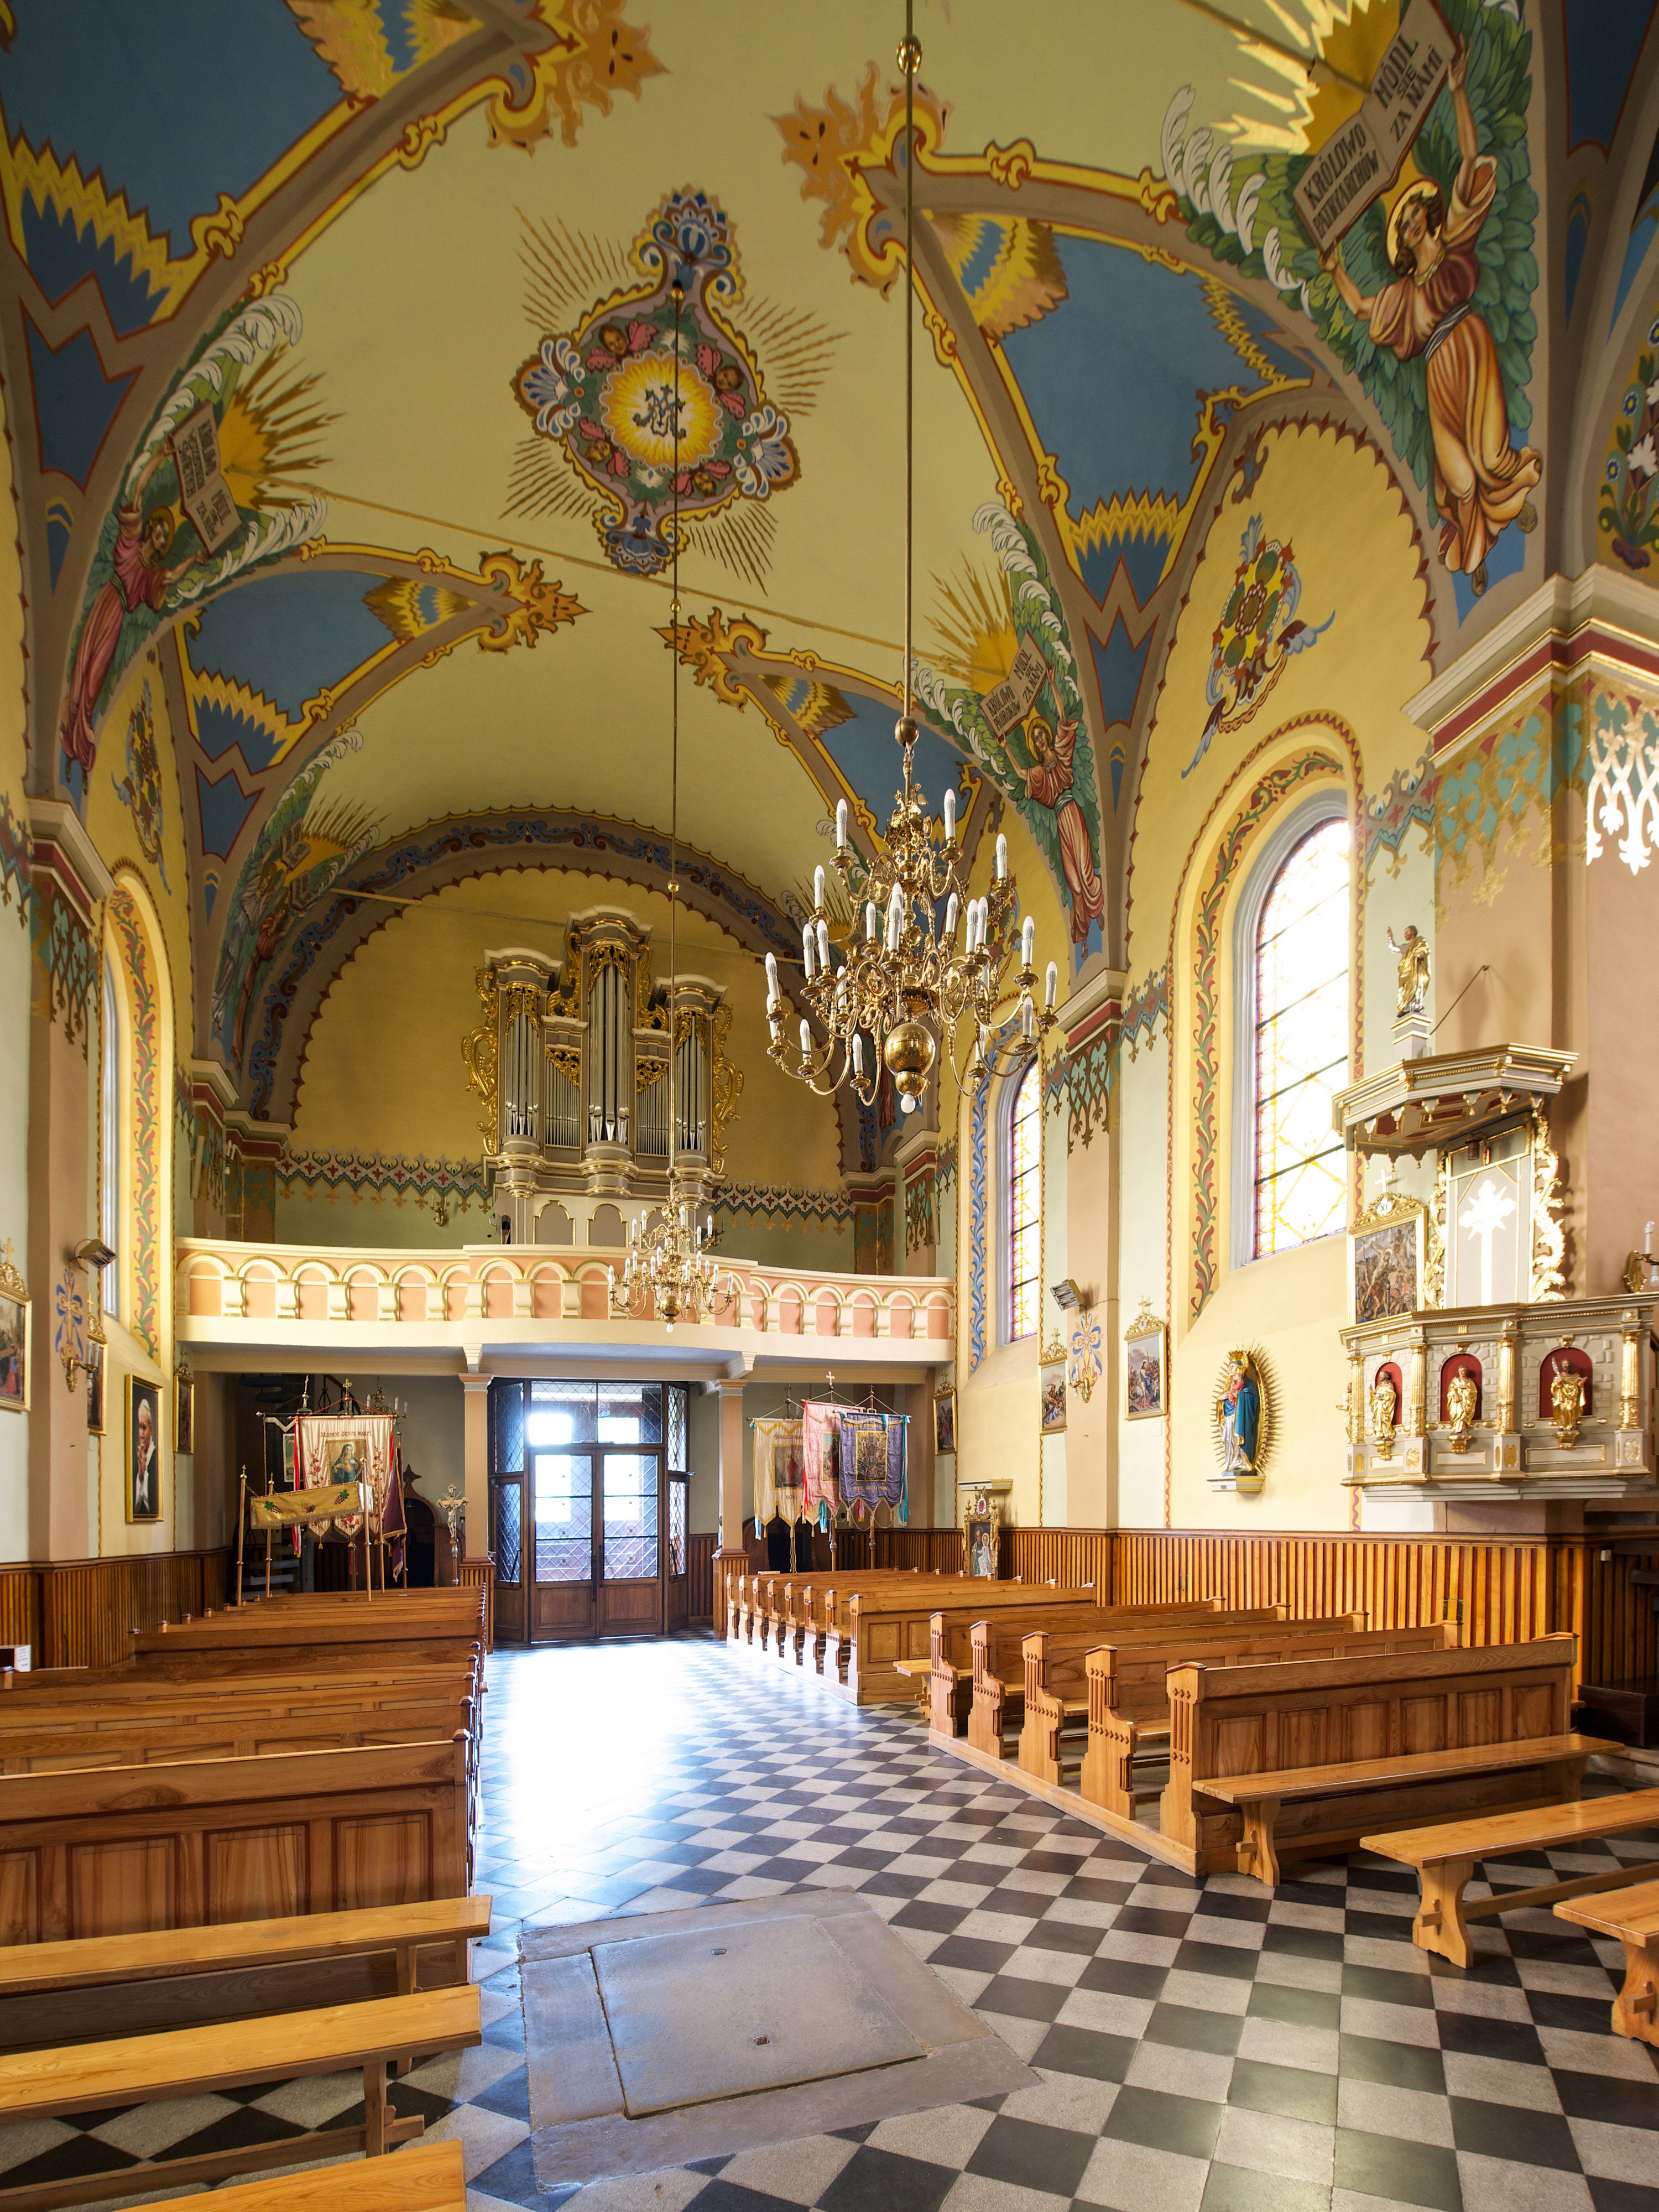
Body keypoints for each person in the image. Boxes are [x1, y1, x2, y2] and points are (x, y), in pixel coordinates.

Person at [1318, 43, 1539, 595]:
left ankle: (1512, 512)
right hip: (1438, 367)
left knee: (1491, 452)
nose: (1411, 222)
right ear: (1401, 240)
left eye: (1416, 214)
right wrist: (1336, 270)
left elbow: (1469, 160)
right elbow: (1362, 308)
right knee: (1457, 474)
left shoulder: (1456, 238)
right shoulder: (1404, 294)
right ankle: (1474, 549)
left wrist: (1457, 89)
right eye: (1405, 222)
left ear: (1430, 217)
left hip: (1472, 344)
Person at [60, 449, 200, 773]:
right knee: (82, 664)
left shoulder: (151, 575)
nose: (160, 537)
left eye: (165, 537)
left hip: (117, 616)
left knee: (96, 676)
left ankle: (81, 738)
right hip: (105, 601)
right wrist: (161, 455)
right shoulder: (130, 542)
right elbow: (138, 490)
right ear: (151, 528)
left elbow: (171, 577)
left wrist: (195, 560)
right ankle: (68, 732)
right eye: (159, 530)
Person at [1018, 715, 1104, 944]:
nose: (1040, 740)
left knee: (1085, 868)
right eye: (1035, 739)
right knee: (1073, 880)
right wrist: (1005, 747)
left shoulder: (1060, 754)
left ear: (1047, 735)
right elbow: (1022, 774)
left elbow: (1064, 720)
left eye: (1041, 735)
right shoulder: (1039, 772)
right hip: (1061, 822)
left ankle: (1098, 910)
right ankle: (1082, 933)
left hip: (1073, 814)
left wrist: (1056, 692)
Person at [1217, 1352, 1261, 1475]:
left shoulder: (1248, 1384)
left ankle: (1242, 1461)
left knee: (1238, 1439)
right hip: (1229, 1419)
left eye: (1233, 1367)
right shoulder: (1228, 1386)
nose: (1230, 1369)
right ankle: (1231, 1462)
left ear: (1239, 1369)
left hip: (1241, 1418)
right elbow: (1223, 1402)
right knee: (1229, 1440)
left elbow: (1253, 1399)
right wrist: (1220, 1400)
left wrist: (1240, 1396)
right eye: (1230, 1367)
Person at [131, 1392, 157, 1516]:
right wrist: (140, 1476)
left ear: (151, 1429)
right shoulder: (136, 1462)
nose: (141, 1434)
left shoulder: (156, 1457)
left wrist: (145, 1473)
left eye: (145, 1428)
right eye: (140, 1427)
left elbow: (154, 1504)